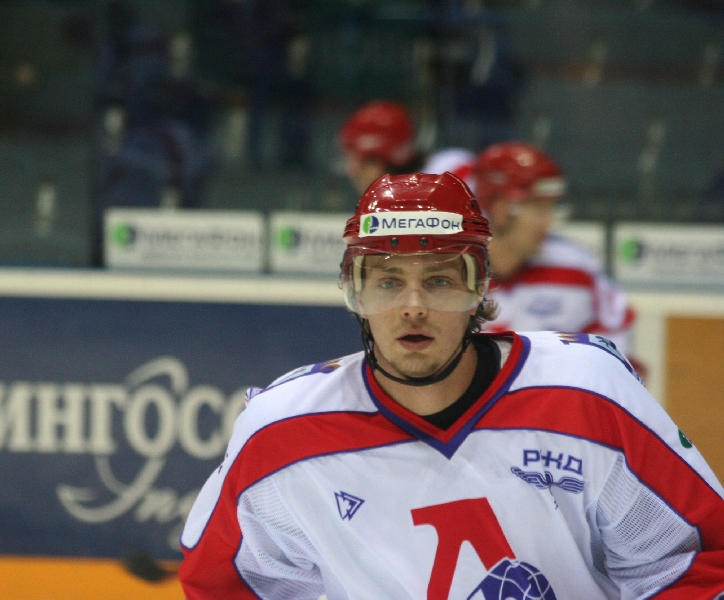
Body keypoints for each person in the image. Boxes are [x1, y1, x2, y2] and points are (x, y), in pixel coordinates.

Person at [179, 172, 724, 598]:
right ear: (355, 294)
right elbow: (227, 586)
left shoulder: (587, 395)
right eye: (388, 282)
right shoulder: (280, 434)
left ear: (480, 289)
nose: (413, 306)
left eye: (439, 280)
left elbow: (693, 562)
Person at [472, 141, 638, 362]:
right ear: (501, 210)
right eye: (539, 209)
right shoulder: (452, 269)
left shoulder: (577, 267)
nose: (549, 222)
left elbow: (616, 350)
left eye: (551, 209)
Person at [338, 99, 475, 195]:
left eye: (366, 163)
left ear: (392, 162)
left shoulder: (451, 170)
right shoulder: (374, 206)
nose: (353, 171)